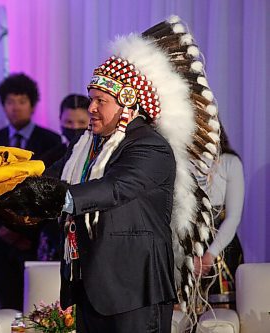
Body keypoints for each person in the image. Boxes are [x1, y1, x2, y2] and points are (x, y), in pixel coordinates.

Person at [47, 30, 207, 331]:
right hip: (90, 285)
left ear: (127, 104)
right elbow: (49, 178)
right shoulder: (85, 145)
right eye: (91, 99)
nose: (90, 108)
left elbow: (115, 187)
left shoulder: (151, 146)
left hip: (134, 290)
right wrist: (4, 188)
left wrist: (58, 198)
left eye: (100, 101)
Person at [0, 73, 61, 310]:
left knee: (41, 310)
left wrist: (27, 231)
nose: (15, 108)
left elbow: (52, 192)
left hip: (36, 242)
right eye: (10, 102)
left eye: (22, 102)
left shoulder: (52, 141)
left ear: (33, 105)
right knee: (8, 308)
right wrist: (4, 229)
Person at [194, 123, 244, 304]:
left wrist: (209, 255)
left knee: (221, 314)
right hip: (188, 250)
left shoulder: (230, 162)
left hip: (221, 248)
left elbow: (233, 217)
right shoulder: (180, 162)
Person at [38, 94, 90, 260]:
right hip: (54, 236)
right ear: (60, 120)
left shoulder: (101, 154)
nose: (75, 127)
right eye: (69, 122)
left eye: (81, 122)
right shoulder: (50, 157)